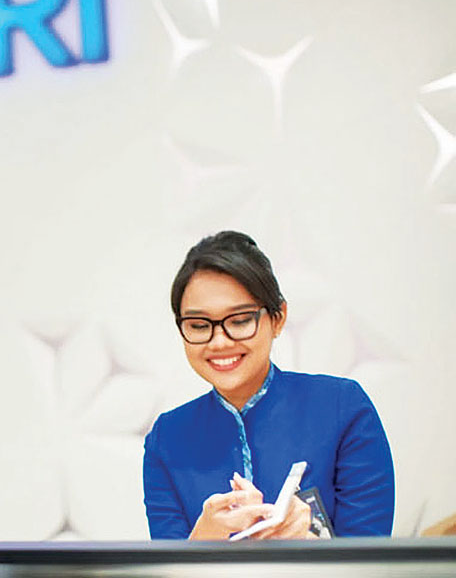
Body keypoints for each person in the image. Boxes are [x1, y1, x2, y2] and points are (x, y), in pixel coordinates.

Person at [143, 231, 395, 540]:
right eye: (198, 325)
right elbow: (166, 561)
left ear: (278, 318)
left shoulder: (342, 407)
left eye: (239, 321)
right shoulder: (167, 438)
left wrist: (308, 540)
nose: (219, 341)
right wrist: (202, 541)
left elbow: (370, 558)